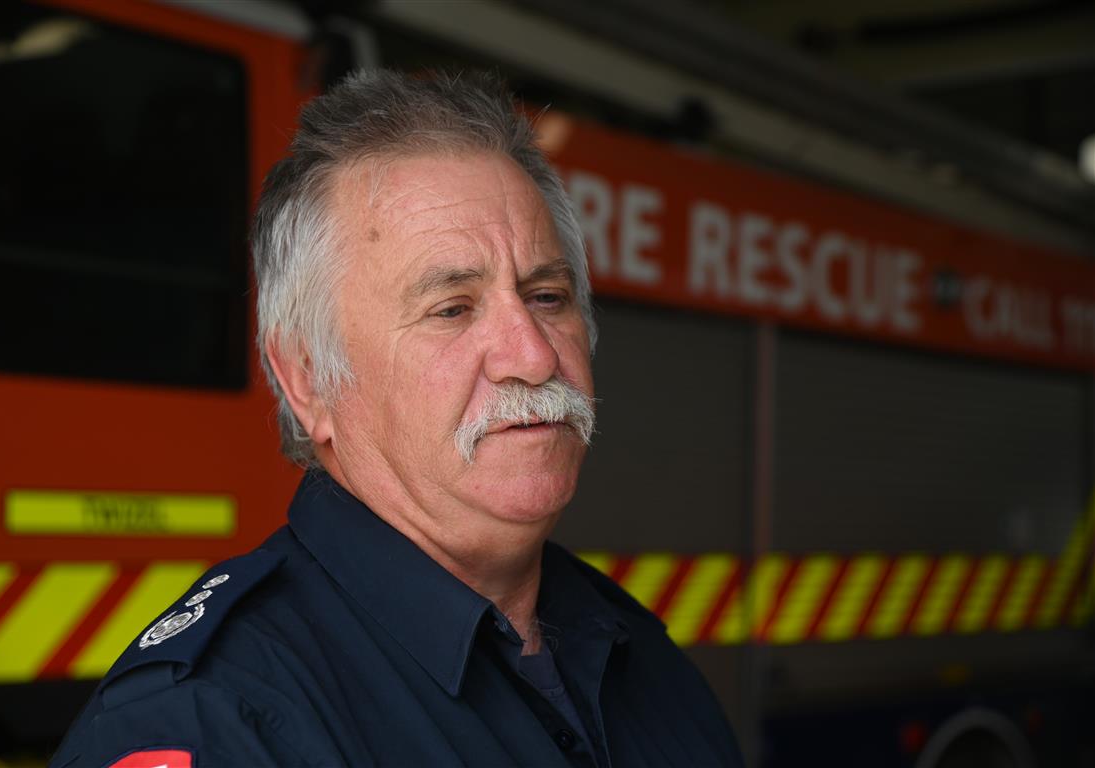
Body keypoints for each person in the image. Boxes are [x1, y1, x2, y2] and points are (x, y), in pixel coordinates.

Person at [52, 69, 742, 768]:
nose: (533, 356)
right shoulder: (216, 721)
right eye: (452, 309)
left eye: (546, 295)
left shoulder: (637, 653)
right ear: (309, 380)